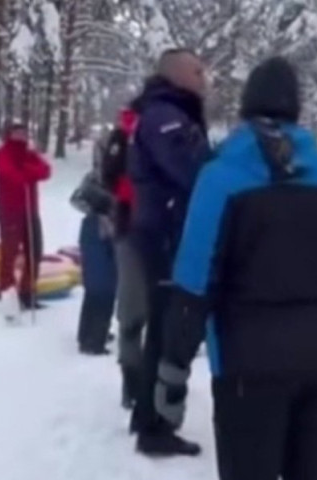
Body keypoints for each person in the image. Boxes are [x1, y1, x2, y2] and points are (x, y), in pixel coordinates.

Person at [158, 57, 317, 480]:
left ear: (246, 106)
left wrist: (173, 371)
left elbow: (193, 283)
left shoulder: (222, 177)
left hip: (246, 366)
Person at [127, 48, 210, 456]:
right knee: (164, 329)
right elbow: (192, 169)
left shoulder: (174, 112)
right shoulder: (165, 116)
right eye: (197, 70)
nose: (204, 78)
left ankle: (147, 414)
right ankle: (153, 427)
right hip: (162, 232)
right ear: (176, 75)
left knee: (162, 327)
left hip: (166, 229)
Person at [100, 108, 148, 408]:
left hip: (154, 229)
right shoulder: (122, 137)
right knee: (132, 312)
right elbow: (109, 177)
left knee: (146, 311)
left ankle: (147, 379)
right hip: (131, 229)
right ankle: (132, 382)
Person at [0, 122, 52, 320]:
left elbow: (45, 171)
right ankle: (8, 295)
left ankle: (27, 292)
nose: (21, 136)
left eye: (24, 133)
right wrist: (29, 171)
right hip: (11, 211)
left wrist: (29, 168)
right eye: (17, 132)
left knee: (35, 251)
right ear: (9, 135)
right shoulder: (2, 154)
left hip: (30, 211)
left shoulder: (29, 154)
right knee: (9, 254)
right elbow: (12, 176)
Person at [73, 130, 118, 355]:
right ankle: (93, 339)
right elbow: (77, 199)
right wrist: (102, 208)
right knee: (102, 286)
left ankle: (90, 333)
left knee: (99, 286)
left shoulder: (107, 176)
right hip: (99, 234)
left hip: (102, 234)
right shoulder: (98, 178)